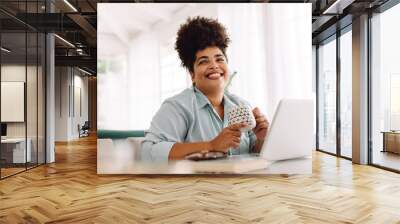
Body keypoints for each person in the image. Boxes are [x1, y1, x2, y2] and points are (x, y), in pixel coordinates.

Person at [141, 16, 269, 162]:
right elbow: (149, 152)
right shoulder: (177, 107)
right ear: (192, 74)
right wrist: (211, 145)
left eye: (219, 59)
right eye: (203, 61)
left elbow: (253, 153)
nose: (214, 65)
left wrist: (261, 139)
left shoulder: (242, 105)